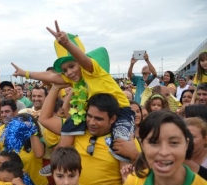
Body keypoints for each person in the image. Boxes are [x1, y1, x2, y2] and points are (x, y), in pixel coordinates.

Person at [12, 21, 134, 164]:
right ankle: (56, 163)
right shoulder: (76, 81)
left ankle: (125, 171)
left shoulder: (93, 71)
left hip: (120, 111)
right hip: (96, 115)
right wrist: (25, 73)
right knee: (71, 124)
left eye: (71, 66)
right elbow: (51, 77)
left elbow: (83, 59)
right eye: (65, 70)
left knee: (121, 143)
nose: (69, 72)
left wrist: (66, 43)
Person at [38, 89, 129, 185]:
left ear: (112, 119)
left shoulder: (123, 140)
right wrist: (55, 87)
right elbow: (44, 119)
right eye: (89, 116)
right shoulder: (75, 130)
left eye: (98, 119)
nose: (92, 122)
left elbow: (129, 180)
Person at [114, 110, 207, 185]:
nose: (164, 152)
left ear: (186, 144)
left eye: (174, 142)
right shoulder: (135, 181)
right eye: (154, 142)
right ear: (143, 145)